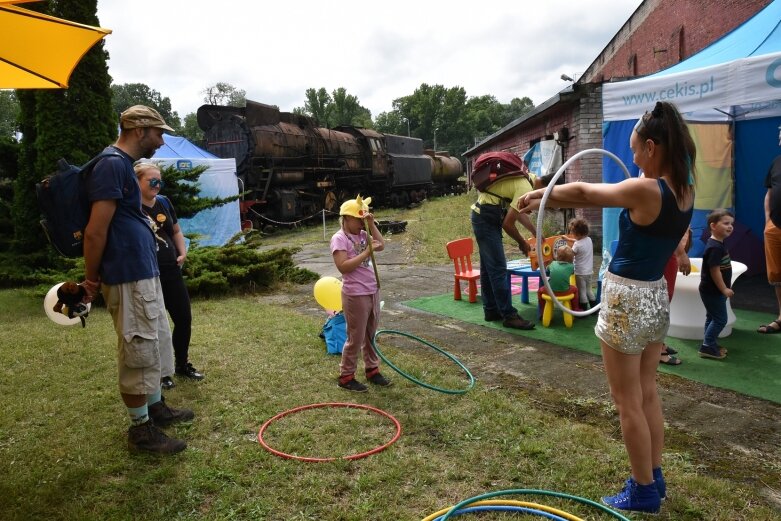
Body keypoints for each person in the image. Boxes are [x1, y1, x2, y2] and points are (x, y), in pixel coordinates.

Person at [518, 100, 696, 514]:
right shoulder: (685, 189)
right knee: (647, 393)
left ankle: (642, 490)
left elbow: (582, 191)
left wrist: (542, 194)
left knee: (627, 400)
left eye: (636, 150)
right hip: (654, 297)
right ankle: (655, 476)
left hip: (626, 302)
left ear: (653, 147)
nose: (632, 158)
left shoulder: (644, 190)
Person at [81, 105, 194, 455]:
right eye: (158, 133)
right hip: (127, 275)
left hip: (145, 272)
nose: (161, 141)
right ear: (139, 130)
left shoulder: (122, 166)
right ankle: (140, 430)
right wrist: (90, 281)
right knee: (137, 350)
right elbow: (95, 232)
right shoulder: (113, 164)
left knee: (155, 340)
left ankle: (156, 408)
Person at [134, 162, 204, 389]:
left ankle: (182, 364)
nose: (157, 184)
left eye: (159, 181)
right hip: (147, 275)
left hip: (171, 271)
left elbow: (175, 230)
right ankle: (162, 372)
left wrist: (182, 252)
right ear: (136, 181)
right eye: (151, 180)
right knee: (155, 326)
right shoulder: (131, 207)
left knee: (183, 318)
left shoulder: (163, 202)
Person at [330, 195, 391, 392]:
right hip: (355, 294)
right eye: (359, 219)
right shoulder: (339, 238)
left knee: (370, 334)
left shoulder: (364, 235)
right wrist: (365, 253)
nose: (361, 223)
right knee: (355, 337)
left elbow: (380, 245)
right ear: (346, 219)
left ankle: (372, 370)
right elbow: (343, 267)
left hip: (372, 290)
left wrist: (371, 225)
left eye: (364, 219)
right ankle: (346, 376)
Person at [471, 153, 537, 330]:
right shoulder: (526, 187)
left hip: (483, 215)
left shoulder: (526, 179)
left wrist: (535, 231)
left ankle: (491, 310)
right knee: (499, 268)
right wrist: (523, 242)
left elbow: (517, 211)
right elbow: (508, 224)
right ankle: (509, 315)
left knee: (488, 268)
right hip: (486, 218)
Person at [698, 209, 735, 359]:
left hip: (711, 290)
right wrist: (724, 289)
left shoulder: (718, 244)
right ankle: (707, 346)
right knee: (720, 319)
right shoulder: (714, 247)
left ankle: (709, 343)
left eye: (731, 224)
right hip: (713, 290)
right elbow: (715, 271)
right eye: (726, 223)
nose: (730, 226)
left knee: (712, 317)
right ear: (713, 226)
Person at [759, 139, 781, 334]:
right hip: (774, 226)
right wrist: (768, 221)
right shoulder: (776, 161)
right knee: (777, 276)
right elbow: (769, 193)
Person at [536, 244, 579, 318]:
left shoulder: (552, 264)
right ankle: (575, 308)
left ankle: (542, 310)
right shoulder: (571, 266)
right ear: (571, 258)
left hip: (550, 291)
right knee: (575, 289)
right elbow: (572, 273)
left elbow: (547, 270)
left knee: (539, 291)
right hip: (565, 291)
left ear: (557, 256)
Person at [569, 218, 596, 309]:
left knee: (582, 291)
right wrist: (567, 238)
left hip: (580, 272)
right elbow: (579, 241)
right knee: (589, 290)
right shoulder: (589, 239)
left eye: (573, 233)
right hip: (589, 271)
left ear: (578, 234)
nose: (572, 235)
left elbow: (570, 255)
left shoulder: (576, 245)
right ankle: (594, 308)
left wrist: (563, 250)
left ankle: (584, 310)